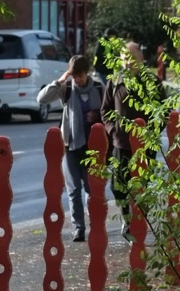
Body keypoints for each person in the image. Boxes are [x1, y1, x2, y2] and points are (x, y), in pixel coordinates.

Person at [37, 54, 103, 242]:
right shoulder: (66, 89)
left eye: (80, 76)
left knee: (92, 188)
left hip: (93, 147)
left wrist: (97, 115)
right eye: (74, 76)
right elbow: (42, 99)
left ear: (87, 73)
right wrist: (59, 81)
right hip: (70, 145)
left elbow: (108, 112)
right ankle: (79, 229)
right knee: (73, 189)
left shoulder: (98, 87)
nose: (77, 80)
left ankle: (96, 224)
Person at [101, 40, 161, 237]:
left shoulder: (152, 82)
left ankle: (137, 223)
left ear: (141, 59)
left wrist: (152, 132)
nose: (128, 62)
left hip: (145, 146)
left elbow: (164, 112)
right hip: (121, 144)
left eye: (132, 58)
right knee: (118, 186)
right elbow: (105, 111)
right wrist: (112, 130)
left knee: (141, 187)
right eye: (125, 58)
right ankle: (127, 219)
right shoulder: (114, 82)